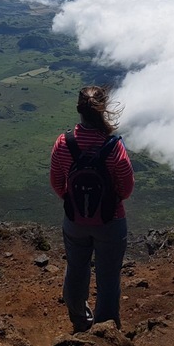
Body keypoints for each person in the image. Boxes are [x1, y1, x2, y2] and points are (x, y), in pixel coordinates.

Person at [49, 85, 135, 332]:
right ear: (103, 110)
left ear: (79, 110)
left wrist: (73, 202)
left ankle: (79, 320)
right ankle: (105, 329)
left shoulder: (63, 143)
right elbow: (126, 189)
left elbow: (57, 183)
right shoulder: (113, 147)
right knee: (108, 277)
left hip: (75, 220)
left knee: (76, 269)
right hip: (111, 222)